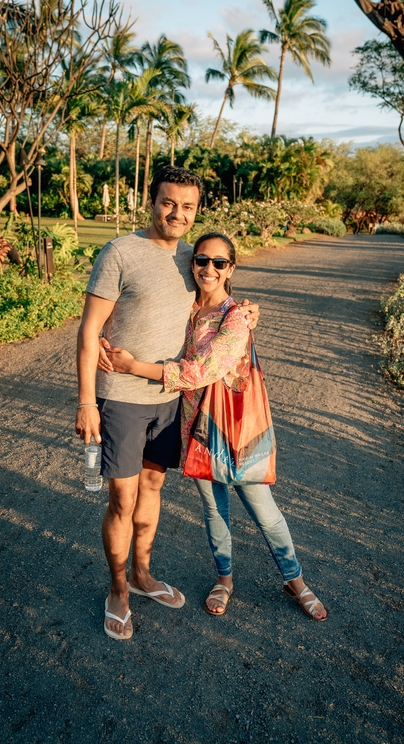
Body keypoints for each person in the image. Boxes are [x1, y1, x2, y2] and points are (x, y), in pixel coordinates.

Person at [104, 232, 328, 621]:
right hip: (195, 429)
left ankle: (296, 581)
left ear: (231, 268)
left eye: (219, 263)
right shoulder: (186, 307)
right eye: (201, 261)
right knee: (213, 508)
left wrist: (133, 366)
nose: (208, 268)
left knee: (263, 509)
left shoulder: (236, 316)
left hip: (237, 431)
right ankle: (224, 579)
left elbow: (201, 372)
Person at [75, 166, 259, 641]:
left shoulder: (190, 259)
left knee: (152, 489)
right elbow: (88, 331)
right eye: (168, 202)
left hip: (170, 401)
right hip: (121, 398)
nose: (177, 213)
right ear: (152, 201)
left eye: (188, 207)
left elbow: (215, 295)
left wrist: (246, 311)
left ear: (196, 211)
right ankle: (117, 589)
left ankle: (141, 574)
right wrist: (86, 403)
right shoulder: (120, 252)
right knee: (122, 499)